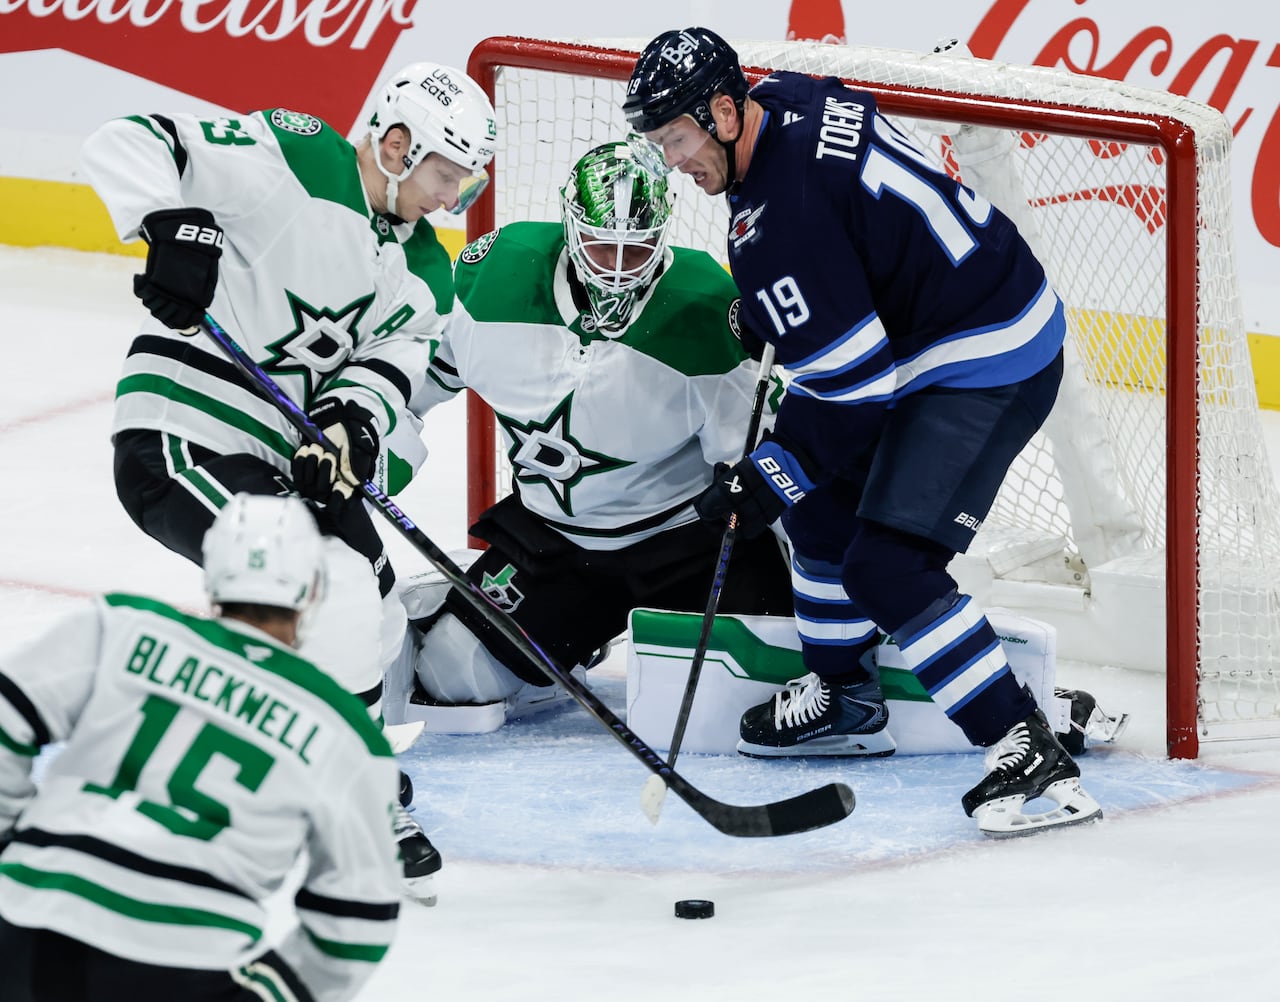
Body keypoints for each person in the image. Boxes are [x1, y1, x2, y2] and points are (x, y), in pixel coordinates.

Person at [622, 27, 1101, 836]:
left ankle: (1022, 741)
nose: (672, 159)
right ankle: (845, 696)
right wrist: (791, 313)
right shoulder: (789, 101)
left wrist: (763, 478)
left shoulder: (783, 227)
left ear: (725, 110)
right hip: (944, 314)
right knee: (818, 511)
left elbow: (852, 392)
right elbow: (852, 242)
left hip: (989, 355)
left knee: (886, 565)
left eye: (676, 136)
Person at [78, 61, 497, 893]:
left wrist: (352, 426)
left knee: (373, 600)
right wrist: (175, 227)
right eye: (446, 175)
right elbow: (128, 140)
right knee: (304, 581)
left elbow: (392, 371)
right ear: (398, 143)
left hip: (274, 455)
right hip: (180, 428)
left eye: (464, 182)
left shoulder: (425, 271)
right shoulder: (301, 158)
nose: (453, 198)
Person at [380, 139, 793, 728]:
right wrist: (368, 449)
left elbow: (760, 473)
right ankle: (566, 645)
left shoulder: (708, 313)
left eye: (638, 250)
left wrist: (824, 579)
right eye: (603, 246)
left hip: (686, 545)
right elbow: (406, 389)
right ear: (571, 227)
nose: (620, 269)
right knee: (454, 676)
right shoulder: (493, 277)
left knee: (751, 698)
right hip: (559, 547)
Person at [0, 494, 402, 1001]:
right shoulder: (347, 733)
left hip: (26, 920)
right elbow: (360, 916)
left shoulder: (121, 627)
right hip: (183, 959)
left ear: (211, 570)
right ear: (313, 589)